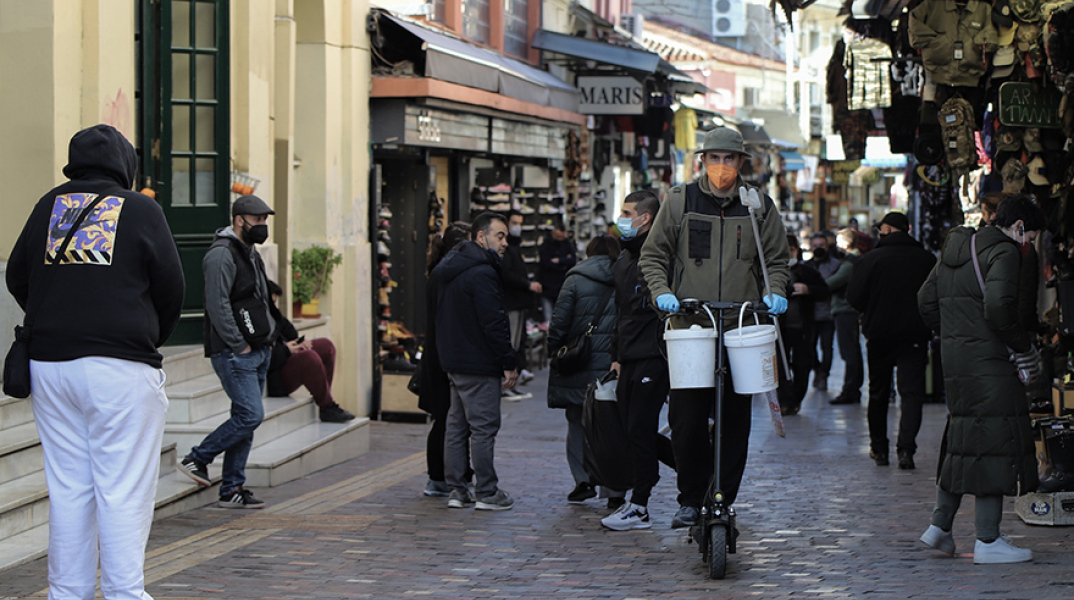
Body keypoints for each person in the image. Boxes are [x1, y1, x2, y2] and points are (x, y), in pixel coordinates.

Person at [6, 124, 185, 599]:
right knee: (122, 487)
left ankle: (68, 592)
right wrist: (145, 334)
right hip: (120, 367)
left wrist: (58, 316)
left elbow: (16, 275)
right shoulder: (142, 209)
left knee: (69, 487)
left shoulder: (48, 206)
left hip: (50, 365)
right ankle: (125, 593)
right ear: (125, 164)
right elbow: (171, 290)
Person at [638, 126, 790, 529]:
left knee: (735, 421)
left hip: (742, 325)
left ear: (741, 162)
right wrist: (662, 294)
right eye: (714, 158)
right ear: (702, 160)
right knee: (687, 420)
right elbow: (652, 257)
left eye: (729, 158)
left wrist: (775, 291)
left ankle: (722, 497)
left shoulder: (758, 205)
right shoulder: (679, 201)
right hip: (692, 325)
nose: (722, 166)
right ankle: (691, 497)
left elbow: (776, 261)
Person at [917, 193, 1044, 564]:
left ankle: (939, 527)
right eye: (1030, 236)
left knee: (963, 439)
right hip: (990, 361)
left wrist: (958, 332)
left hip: (956, 362)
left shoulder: (957, 247)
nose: (1029, 244)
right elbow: (999, 308)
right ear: (1019, 228)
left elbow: (925, 301)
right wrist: (1023, 347)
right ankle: (988, 540)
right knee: (994, 440)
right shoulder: (1003, 251)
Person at [178, 194, 277, 508]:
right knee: (250, 415)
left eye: (265, 221)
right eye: (258, 220)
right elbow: (217, 304)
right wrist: (240, 345)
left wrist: (274, 335)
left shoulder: (250, 252)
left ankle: (232, 488)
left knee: (244, 421)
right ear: (239, 220)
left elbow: (262, 296)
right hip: (236, 352)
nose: (262, 226)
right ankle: (197, 458)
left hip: (259, 348)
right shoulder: (221, 254)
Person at [432, 212, 518, 511]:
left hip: (455, 359)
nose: (505, 242)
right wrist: (508, 360)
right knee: (482, 427)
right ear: (481, 237)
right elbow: (494, 321)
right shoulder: (481, 271)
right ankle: (486, 491)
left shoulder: (451, 268)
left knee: (456, 427)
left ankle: (458, 490)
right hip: (477, 360)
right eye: (500, 236)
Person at [601, 191, 675, 530]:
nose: (622, 218)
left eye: (627, 212)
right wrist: (616, 356)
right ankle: (699, 472)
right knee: (634, 430)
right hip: (630, 356)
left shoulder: (658, 256)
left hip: (653, 355)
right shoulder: (625, 260)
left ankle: (640, 504)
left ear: (645, 218)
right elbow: (621, 313)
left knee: (641, 429)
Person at [846, 211, 936, 470]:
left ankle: (880, 449)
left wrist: (872, 310)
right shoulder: (926, 259)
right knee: (911, 393)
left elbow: (854, 297)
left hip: (880, 335)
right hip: (914, 334)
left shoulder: (872, 259)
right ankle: (906, 450)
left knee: (879, 393)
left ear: (886, 229)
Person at [546, 235, 620, 505]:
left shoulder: (575, 279)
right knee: (613, 426)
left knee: (577, 422)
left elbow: (559, 322)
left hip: (579, 363)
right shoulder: (626, 277)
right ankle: (615, 490)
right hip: (614, 364)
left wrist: (554, 352)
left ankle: (583, 480)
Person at [418, 222, 473, 497]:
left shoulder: (438, 273)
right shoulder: (447, 276)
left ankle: (442, 476)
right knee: (448, 419)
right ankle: (443, 476)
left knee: (445, 418)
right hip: (445, 354)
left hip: (438, 352)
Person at [265, 280, 355, 423]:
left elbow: (290, 331)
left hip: (286, 358)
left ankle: (325, 397)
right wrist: (287, 349)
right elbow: (264, 358)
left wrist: (299, 343)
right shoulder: (255, 321)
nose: (274, 306)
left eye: (276, 302)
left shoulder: (273, 315)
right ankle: (327, 406)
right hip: (274, 377)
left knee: (326, 346)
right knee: (309, 357)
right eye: (272, 302)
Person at [778, 234, 829, 416]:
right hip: (780, 328)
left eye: (791, 250)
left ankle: (796, 399)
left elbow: (824, 291)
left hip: (802, 328)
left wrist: (808, 290)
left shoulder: (807, 272)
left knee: (802, 365)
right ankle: (785, 400)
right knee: (781, 366)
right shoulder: (773, 272)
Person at [500, 209, 541, 399]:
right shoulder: (507, 249)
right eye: (514, 222)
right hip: (511, 303)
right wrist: (527, 284)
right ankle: (505, 385)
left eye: (520, 223)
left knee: (515, 344)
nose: (518, 227)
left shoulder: (513, 247)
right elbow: (506, 275)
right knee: (510, 344)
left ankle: (510, 383)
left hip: (517, 303)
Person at [828, 228, 865, 405]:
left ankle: (850, 389)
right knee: (853, 352)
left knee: (849, 352)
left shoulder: (850, 264)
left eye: (838, 242)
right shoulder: (854, 261)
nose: (836, 246)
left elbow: (831, 284)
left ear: (846, 244)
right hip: (850, 310)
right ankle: (853, 388)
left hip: (845, 311)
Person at [806, 232, 839, 392]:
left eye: (822, 246)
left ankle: (823, 374)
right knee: (809, 347)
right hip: (809, 314)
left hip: (828, 313)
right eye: (815, 246)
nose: (818, 249)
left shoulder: (835, 265)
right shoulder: (805, 266)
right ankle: (817, 369)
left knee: (827, 347)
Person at [537, 220, 577, 322]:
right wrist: (564, 263)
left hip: (561, 287)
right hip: (547, 287)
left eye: (562, 237)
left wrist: (558, 260)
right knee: (549, 320)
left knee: (561, 319)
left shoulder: (567, 243)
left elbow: (573, 260)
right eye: (558, 237)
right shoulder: (546, 245)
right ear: (553, 232)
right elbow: (545, 263)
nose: (560, 239)